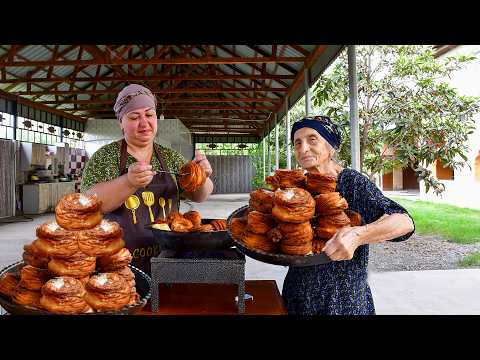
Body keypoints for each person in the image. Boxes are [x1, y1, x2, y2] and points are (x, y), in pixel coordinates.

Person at [281, 115, 415, 315]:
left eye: (312, 139)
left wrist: (358, 235)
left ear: (331, 147)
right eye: (297, 142)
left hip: (342, 299)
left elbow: (404, 222)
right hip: (297, 295)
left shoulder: (351, 182)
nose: (303, 148)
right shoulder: (300, 185)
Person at [80, 84, 214, 274]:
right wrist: (128, 182)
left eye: (149, 115)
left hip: (167, 257)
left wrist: (202, 176)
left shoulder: (170, 157)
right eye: (134, 117)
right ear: (121, 122)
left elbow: (200, 196)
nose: (144, 123)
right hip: (118, 261)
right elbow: (88, 203)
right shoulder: (106, 157)